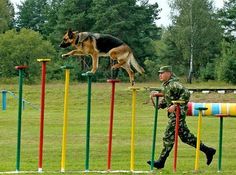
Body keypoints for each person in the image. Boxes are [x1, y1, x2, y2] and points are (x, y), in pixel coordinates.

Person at [147, 66, 216, 169]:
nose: (160, 75)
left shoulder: (174, 84)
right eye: (159, 73)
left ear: (169, 73)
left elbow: (186, 93)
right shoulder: (166, 85)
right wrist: (161, 104)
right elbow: (170, 98)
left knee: (168, 136)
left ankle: (161, 161)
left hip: (178, 113)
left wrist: (175, 105)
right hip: (175, 113)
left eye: (162, 73)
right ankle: (208, 150)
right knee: (185, 136)